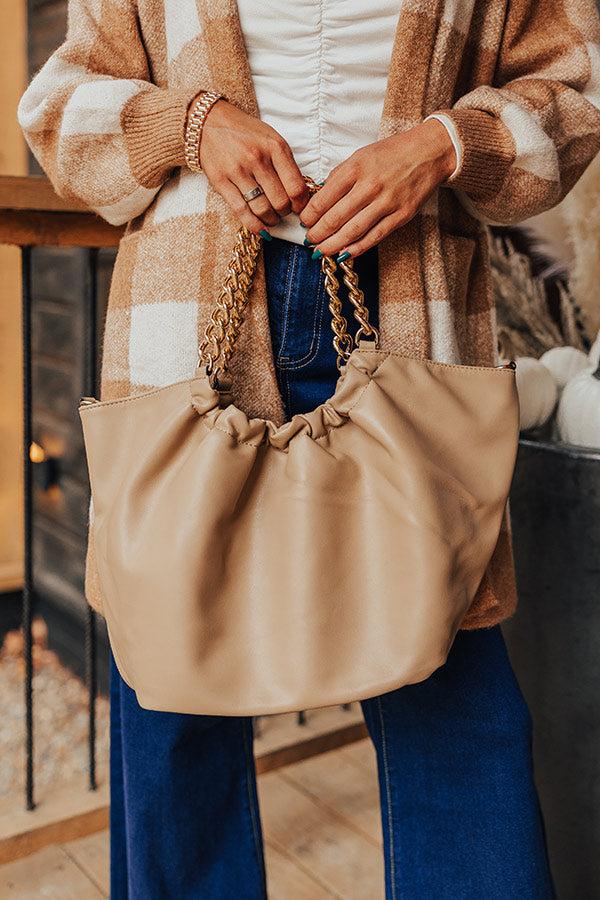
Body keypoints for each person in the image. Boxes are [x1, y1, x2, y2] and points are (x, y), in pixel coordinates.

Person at [18, 1, 600, 896]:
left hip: (412, 310)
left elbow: (574, 89)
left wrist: (445, 145)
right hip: (186, 317)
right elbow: (58, 106)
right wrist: (191, 123)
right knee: (172, 689)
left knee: (456, 689)